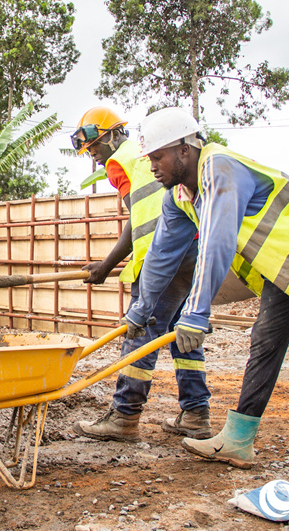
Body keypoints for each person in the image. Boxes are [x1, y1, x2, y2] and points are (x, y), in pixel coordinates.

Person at [126, 107, 289, 472]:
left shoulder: (219, 168)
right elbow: (161, 255)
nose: (153, 167)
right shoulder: (179, 197)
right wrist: (141, 309)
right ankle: (239, 439)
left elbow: (216, 242)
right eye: (150, 159)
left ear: (185, 149)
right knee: (264, 343)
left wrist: (196, 313)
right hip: (285, 264)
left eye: (158, 157)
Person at [69, 106, 212, 442]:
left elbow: (137, 221)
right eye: (88, 149)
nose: (94, 154)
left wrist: (106, 266)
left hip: (160, 257)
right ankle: (195, 413)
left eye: (95, 145)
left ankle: (124, 416)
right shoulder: (144, 154)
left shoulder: (121, 161)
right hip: (190, 249)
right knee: (181, 334)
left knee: (140, 331)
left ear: (115, 134)